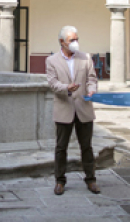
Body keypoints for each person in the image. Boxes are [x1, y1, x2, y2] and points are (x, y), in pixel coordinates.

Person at [46, 25, 99, 196]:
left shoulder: (85, 58)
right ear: (62, 42)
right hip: (64, 108)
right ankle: (60, 181)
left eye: (77, 39)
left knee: (87, 147)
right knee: (61, 147)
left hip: (83, 108)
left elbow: (92, 78)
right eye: (72, 40)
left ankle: (91, 179)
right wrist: (67, 88)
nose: (75, 43)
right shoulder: (52, 61)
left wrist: (91, 89)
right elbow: (53, 83)